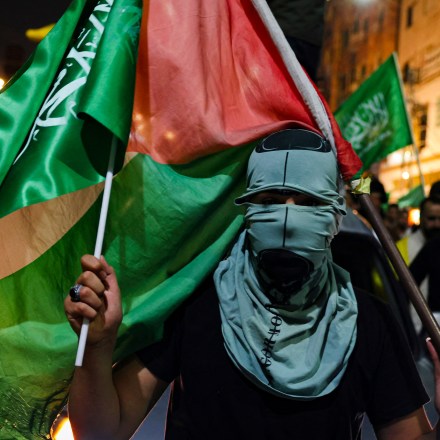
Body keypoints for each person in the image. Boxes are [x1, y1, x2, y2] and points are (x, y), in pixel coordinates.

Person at [65, 128, 438, 439]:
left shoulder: (367, 321)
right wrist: (96, 348)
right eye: (271, 199)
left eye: (307, 202)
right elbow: (101, 432)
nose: (288, 216)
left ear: (335, 215)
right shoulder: (197, 301)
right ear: (247, 209)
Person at [397, 196, 440, 333]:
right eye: (431, 219)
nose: (437, 224)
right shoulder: (403, 247)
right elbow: (404, 287)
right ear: (421, 218)